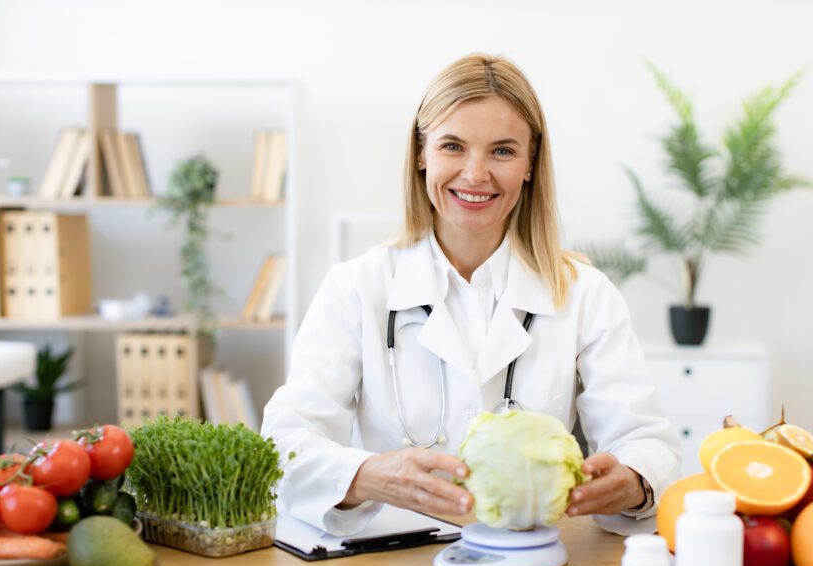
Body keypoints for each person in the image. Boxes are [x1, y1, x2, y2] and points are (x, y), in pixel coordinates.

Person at [261, 54, 681, 537]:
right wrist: (366, 476)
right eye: (453, 146)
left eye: (502, 151)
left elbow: (647, 441)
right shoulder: (357, 287)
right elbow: (286, 443)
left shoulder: (585, 295)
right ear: (422, 154)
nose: (476, 174)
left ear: (530, 164)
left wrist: (633, 481)